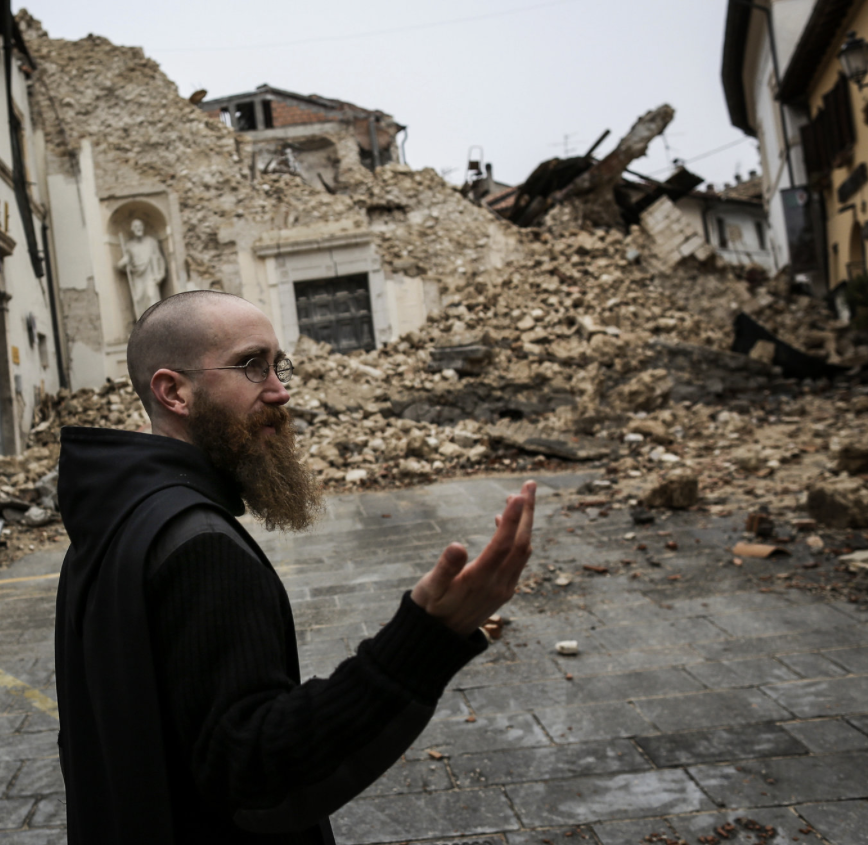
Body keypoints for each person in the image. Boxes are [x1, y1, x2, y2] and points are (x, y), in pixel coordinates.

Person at [55, 290, 537, 844]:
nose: (280, 391)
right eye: (251, 366)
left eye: (278, 366)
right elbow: (254, 773)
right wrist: (423, 640)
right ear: (174, 391)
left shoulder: (119, 512)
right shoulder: (200, 545)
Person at [117, 218, 167, 320]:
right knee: (138, 299)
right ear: (132, 229)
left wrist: (161, 274)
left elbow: (159, 258)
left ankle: (156, 323)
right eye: (135, 226)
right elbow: (123, 263)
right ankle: (143, 326)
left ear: (143, 227)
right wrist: (123, 264)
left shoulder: (151, 242)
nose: (138, 228)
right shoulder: (130, 245)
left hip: (150, 275)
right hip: (137, 277)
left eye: (140, 226)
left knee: (152, 297)